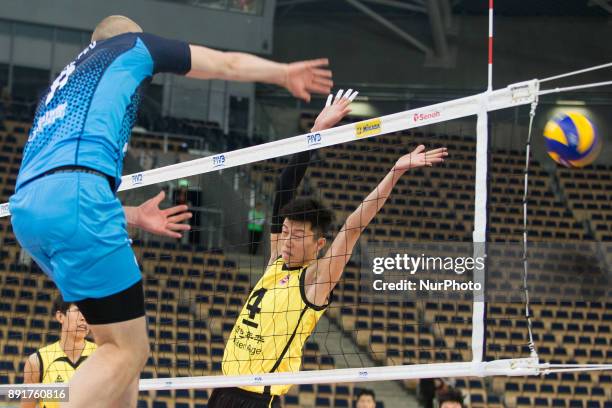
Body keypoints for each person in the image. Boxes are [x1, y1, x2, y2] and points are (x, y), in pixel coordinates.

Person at [8, 15, 333, 408]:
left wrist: (129, 215)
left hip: (27, 211)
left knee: (118, 352)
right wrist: (283, 73)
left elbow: (56, 187)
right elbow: (225, 65)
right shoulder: (133, 47)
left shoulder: (62, 83)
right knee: (126, 351)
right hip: (80, 200)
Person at [210, 89, 448, 407]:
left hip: (255, 399)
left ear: (318, 244)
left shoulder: (315, 280)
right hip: (222, 390)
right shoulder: (275, 262)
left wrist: (395, 172)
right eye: (286, 232)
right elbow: (283, 188)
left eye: (297, 236)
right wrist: (316, 133)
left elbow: (352, 228)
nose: (287, 240)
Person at [21, 295, 97, 408]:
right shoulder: (37, 361)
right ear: (60, 316)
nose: (84, 318)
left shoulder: (101, 355)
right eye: (78, 311)